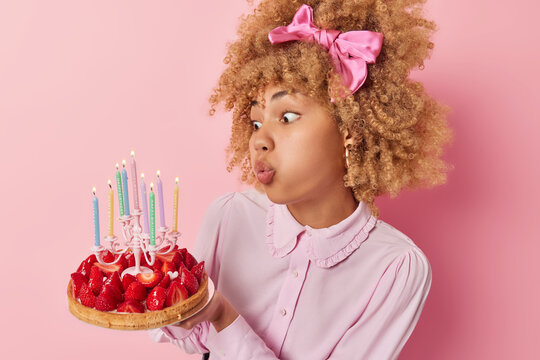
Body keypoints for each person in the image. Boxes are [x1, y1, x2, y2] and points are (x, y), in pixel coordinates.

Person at [149, 0, 453, 359]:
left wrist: (223, 316)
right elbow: (187, 335)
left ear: (349, 132)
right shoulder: (229, 216)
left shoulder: (395, 267)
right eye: (257, 122)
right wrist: (159, 290)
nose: (259, 139)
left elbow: (215, 326)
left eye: (288, 116)